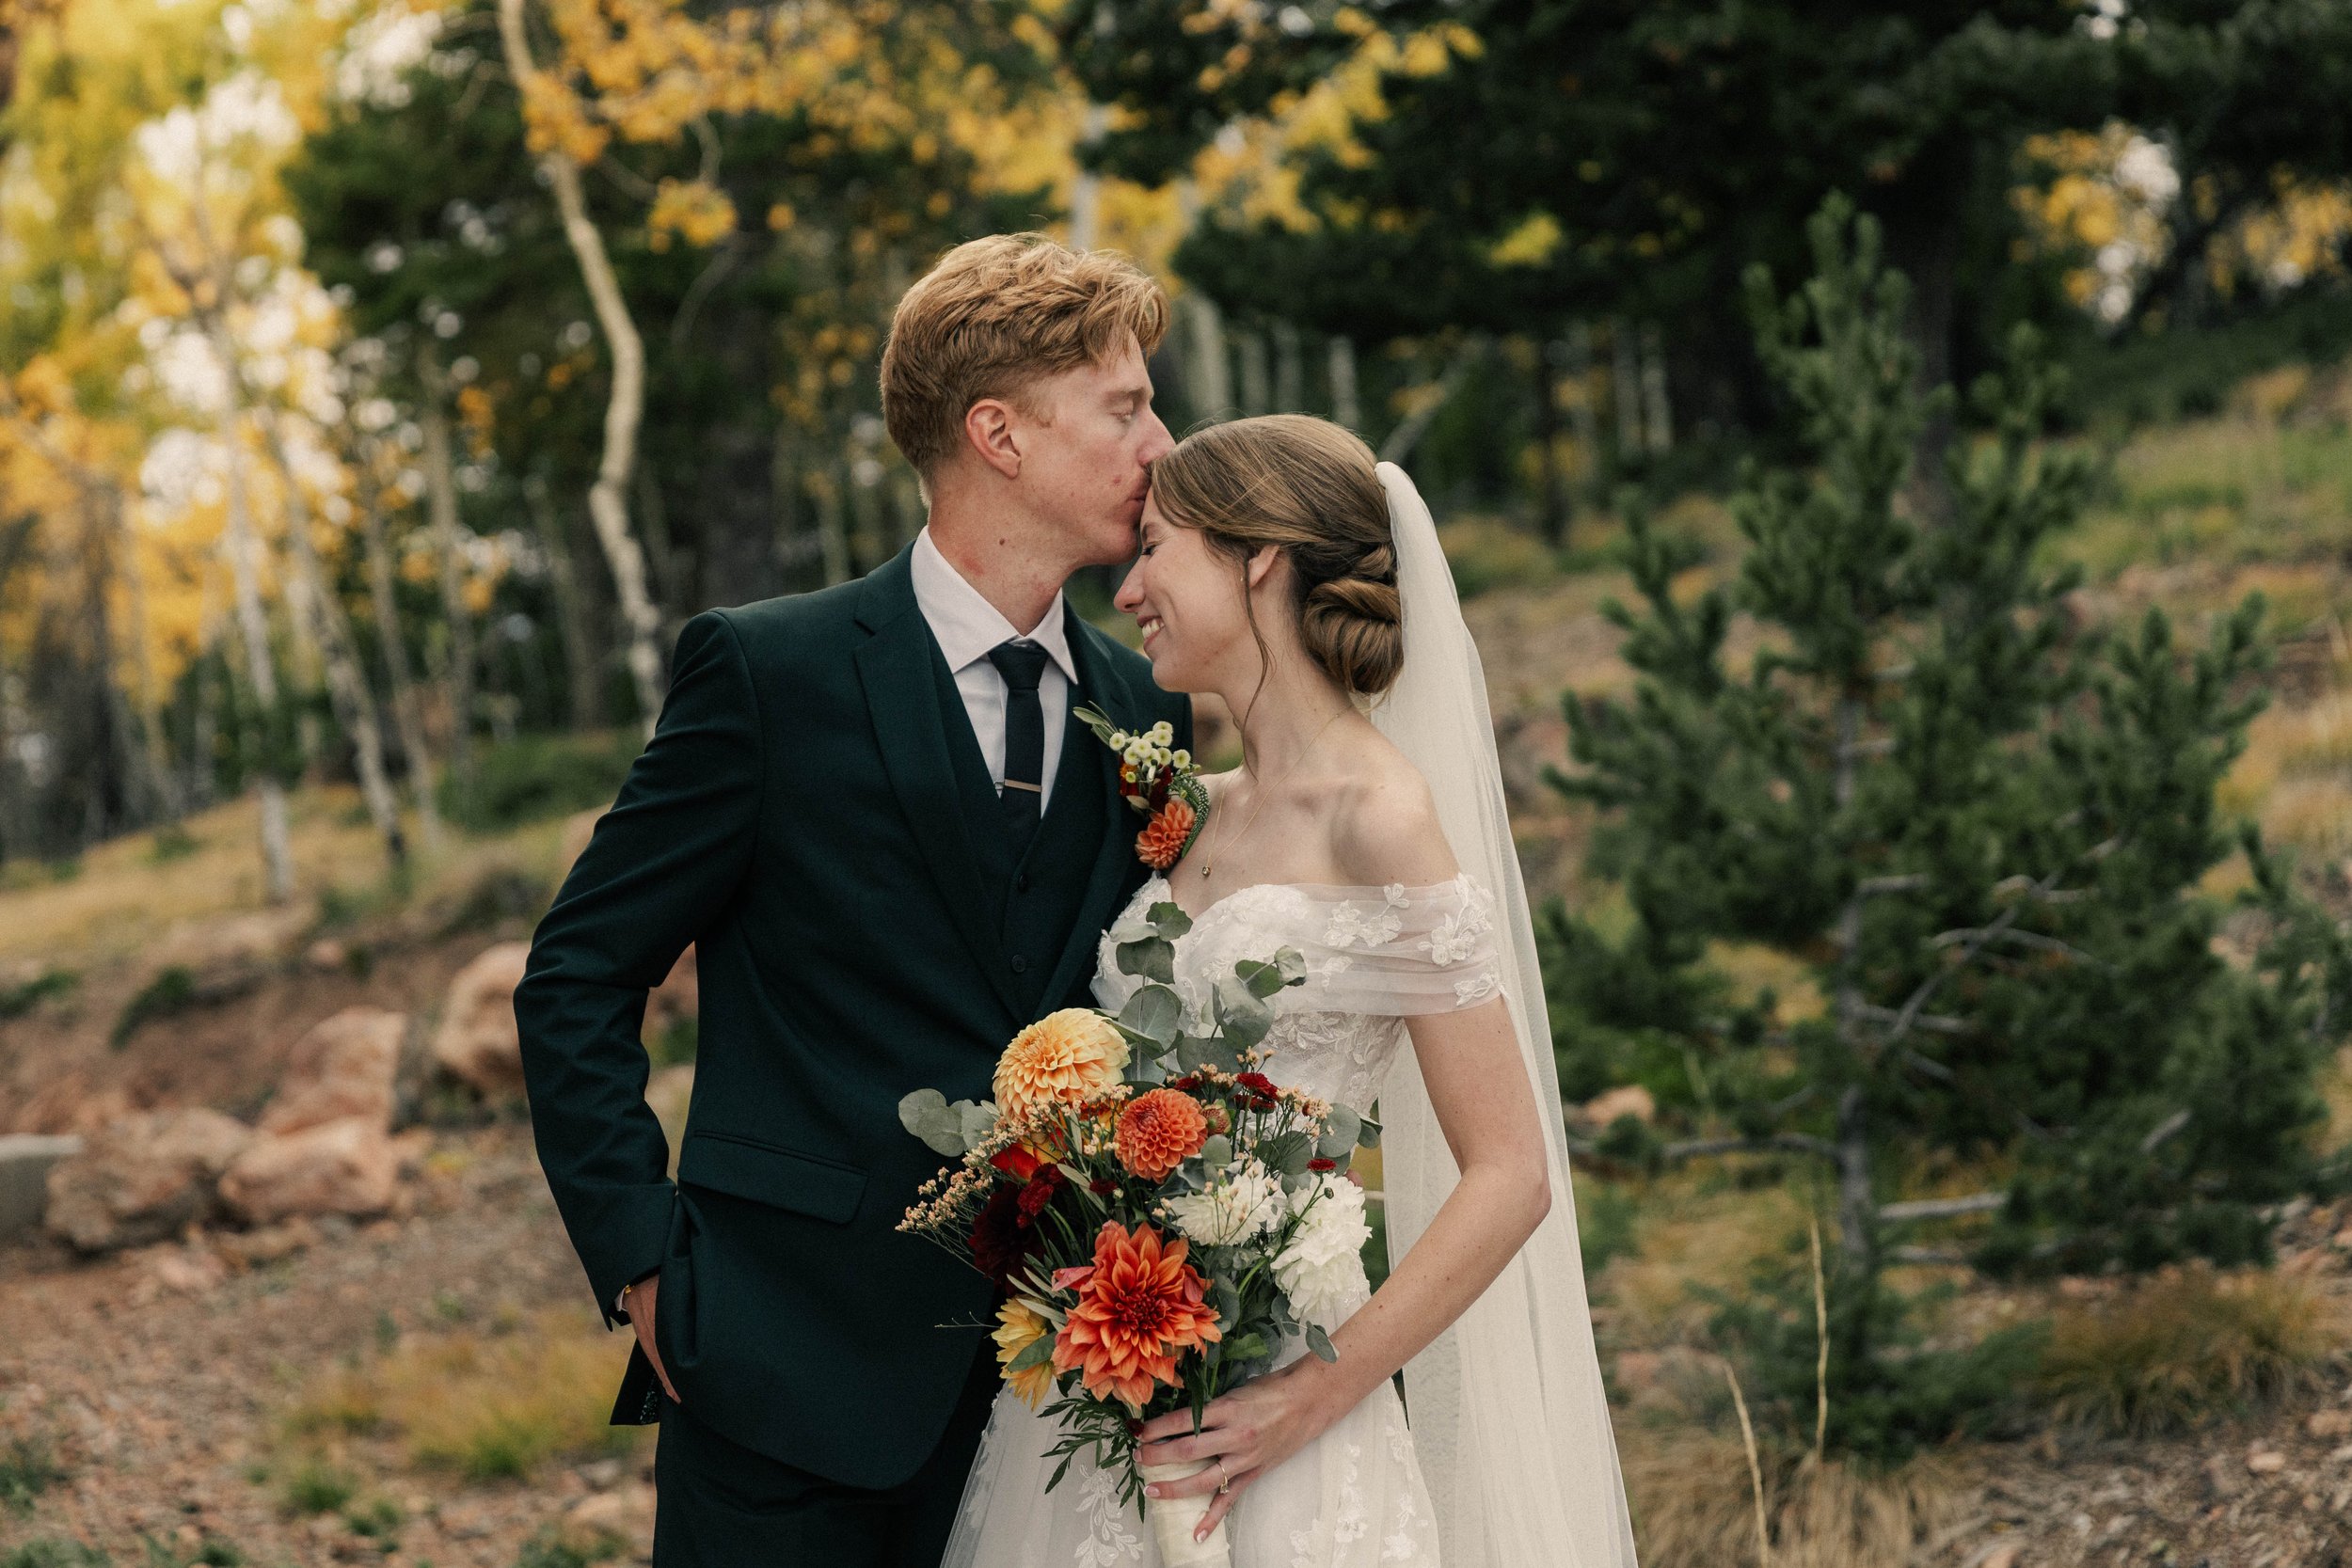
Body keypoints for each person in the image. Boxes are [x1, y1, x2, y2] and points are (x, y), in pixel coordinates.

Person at [512, 232, 1190, 1565]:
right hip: (777, 1373)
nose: (1160, 441)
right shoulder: (769, 674)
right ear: (998, 432)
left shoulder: (1144, 702)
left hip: (1057, 1408)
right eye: (1124, 406)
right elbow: (578, 972)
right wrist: (649, 1264)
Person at [944, 415, 1639, 1568]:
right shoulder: (1185, 810)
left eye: (1157, 545)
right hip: (1106, 1385)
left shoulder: (1381, 816)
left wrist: (1312, 1393)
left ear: (1257, 557)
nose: (1129, 590)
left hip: (1280, 1410)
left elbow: (1511, 1171)